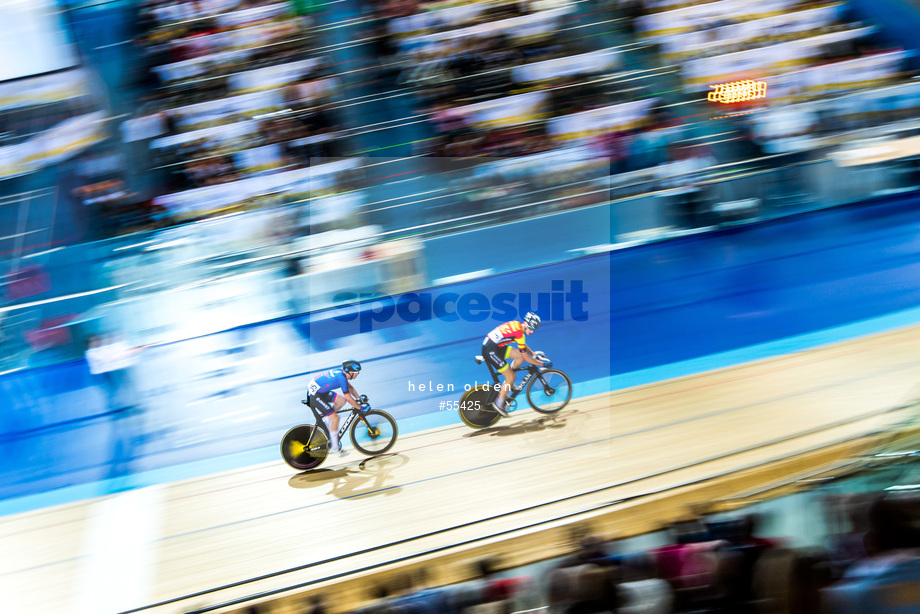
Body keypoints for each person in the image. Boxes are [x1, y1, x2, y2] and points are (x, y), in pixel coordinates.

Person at [481, 312, 545, 417]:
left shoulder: (517, 325)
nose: (532, 331)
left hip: (494, 346)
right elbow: (526, 357)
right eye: (531, 328)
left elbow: (522, 346)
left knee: (519, 356)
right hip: (490, 350)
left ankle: (509, 382)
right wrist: (541, 363)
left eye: (534, 329)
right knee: (510, 377)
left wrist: (533, 354)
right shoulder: (519, 334)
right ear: (527, 323)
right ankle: (498, 404)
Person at [305, 360, 363, 455]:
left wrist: (358, 398)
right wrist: (360, 408)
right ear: (351, 373)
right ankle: (335, 448)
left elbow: (350, 388)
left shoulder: (342, 373)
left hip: (320, 391)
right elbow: (349, 399)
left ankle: (327, 421)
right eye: (357, 372)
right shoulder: (342, 378)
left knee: (341, 401)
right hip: (314, 395)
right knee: (336, 419)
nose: (358, 374)